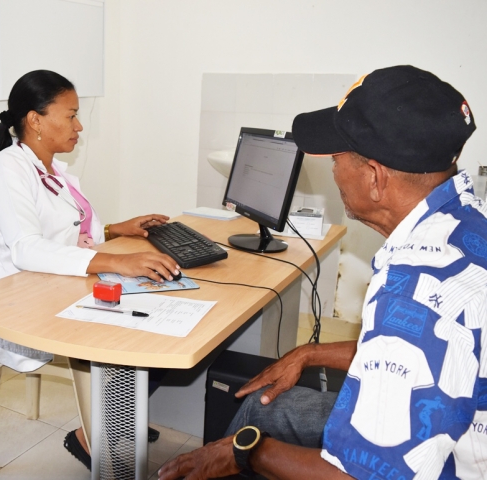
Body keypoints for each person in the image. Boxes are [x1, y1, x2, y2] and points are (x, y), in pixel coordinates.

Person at [158, 65, 486, 480]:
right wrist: (309, 353)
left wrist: (246, 452)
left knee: (246, 440)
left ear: (375, 177)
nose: (333, 171)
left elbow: (362, 476)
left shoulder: (416, 289)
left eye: (335, 158)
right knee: (265, 406)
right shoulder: (465, 222)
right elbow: (421, 353)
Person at [0, 70, 179, 470]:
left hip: (58, 284)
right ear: (35, 120)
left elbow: (66, 232)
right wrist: (118, 261)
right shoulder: (7, 169)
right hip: (22, 302)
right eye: (70, 116)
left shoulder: (52, 169)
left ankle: (116, 417)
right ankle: (95, 432)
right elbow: (26, 248)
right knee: (139, 335)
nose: (79, 126)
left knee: (160, 321)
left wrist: (115, 230)